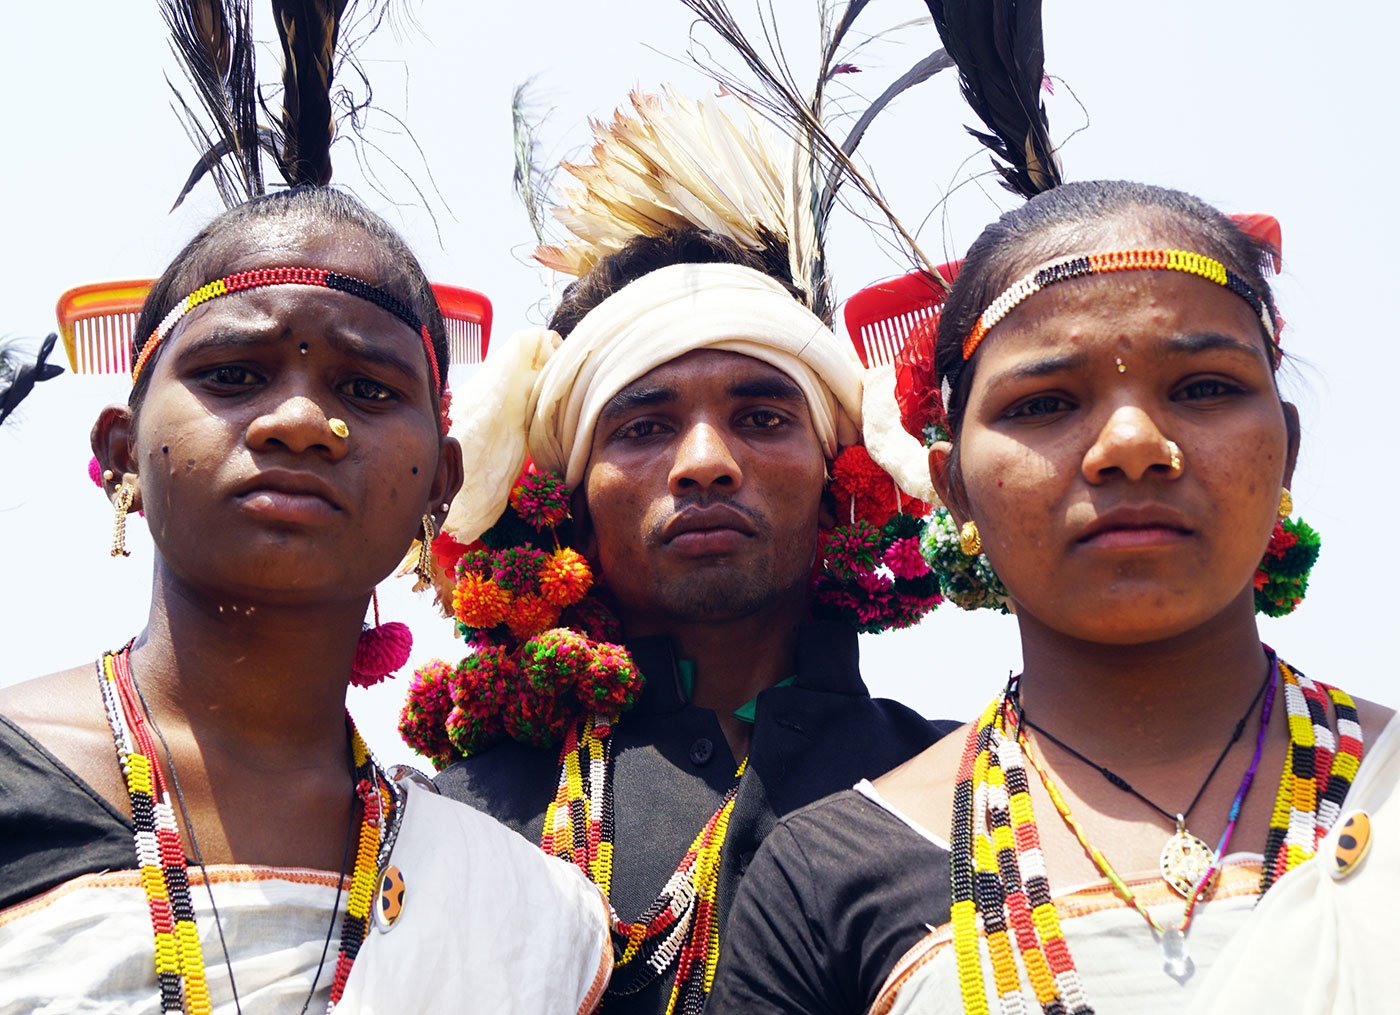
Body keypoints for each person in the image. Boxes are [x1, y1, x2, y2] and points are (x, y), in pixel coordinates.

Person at [708, 175, 1395, 1011]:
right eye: (1044, 403)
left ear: (1285, 448)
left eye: (1204, 387)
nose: (1132, 444)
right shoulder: (832, 873)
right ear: (952, 485)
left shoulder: (1383, 793)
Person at [403, 88, 955, 1014]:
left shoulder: (968, 798)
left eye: (763, 417)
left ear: (840, 475)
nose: (705, 463)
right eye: (645, 425)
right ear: (566, 501)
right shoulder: (449, 827)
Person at [0, 185, 610, 1014]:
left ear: (441, 482)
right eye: (233, 374)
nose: (299, 419)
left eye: (366, 390)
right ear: (121, 453)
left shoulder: (519, 906)